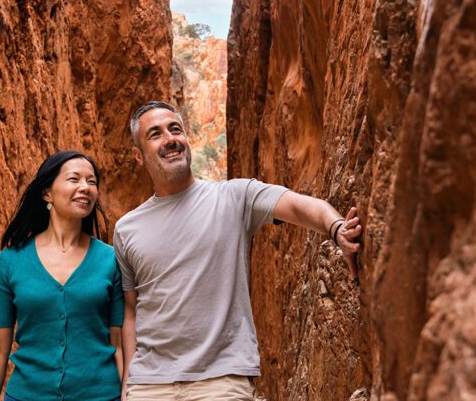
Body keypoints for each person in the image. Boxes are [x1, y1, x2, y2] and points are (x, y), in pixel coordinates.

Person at [114, 101, 363, 400]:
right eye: (155, 134)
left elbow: (299, 205)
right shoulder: (127, 229)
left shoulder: (234, 196)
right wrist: (130, 383)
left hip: (220, 380)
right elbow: (131, 311)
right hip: (150, 385)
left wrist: (337, 229)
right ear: (138, 156)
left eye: (175, 129)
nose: (170, 139)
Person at [0, 151, 125, 401]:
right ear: (47, 193)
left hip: (101, 396)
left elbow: (119, 344)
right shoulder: (10, 262)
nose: (85, 187)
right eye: (74, 179)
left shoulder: (111, 261)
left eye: (92, 181)